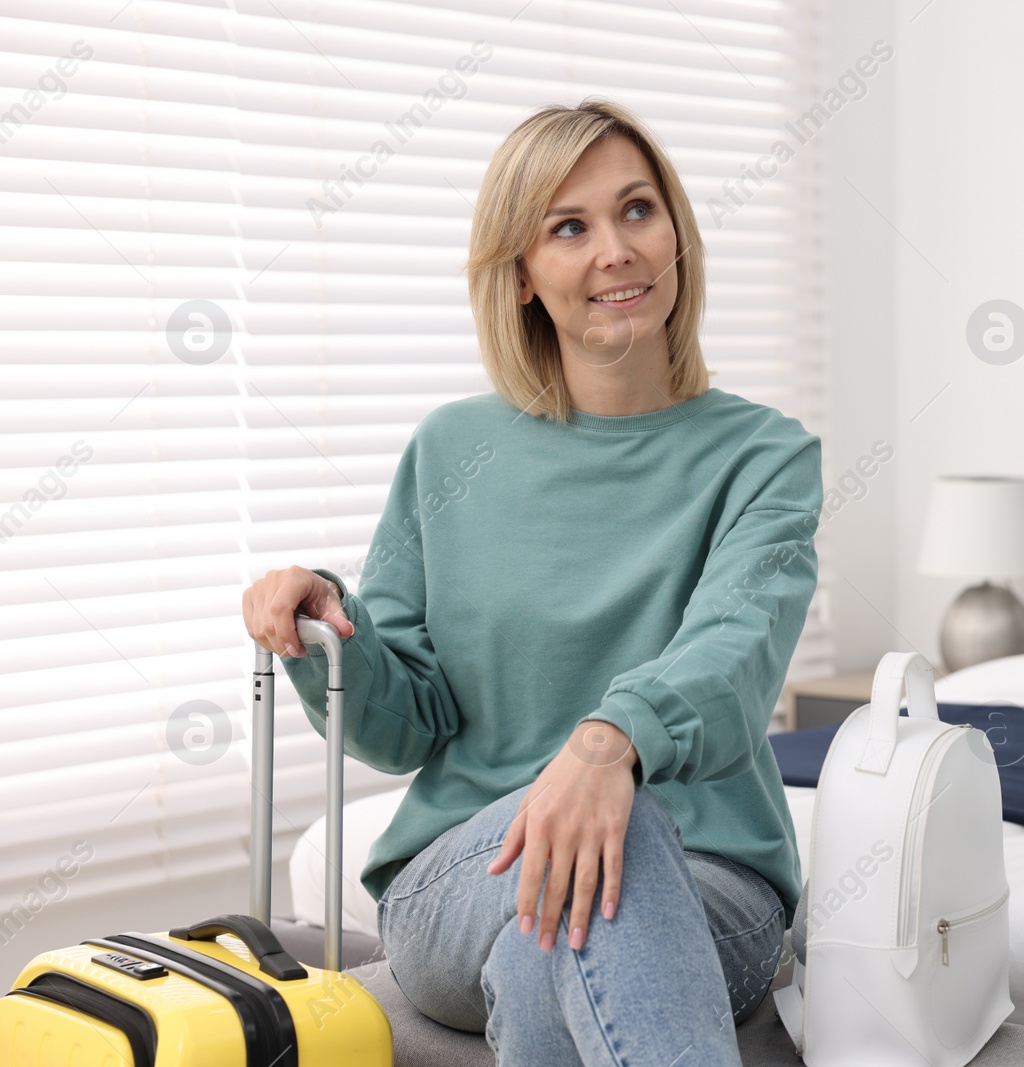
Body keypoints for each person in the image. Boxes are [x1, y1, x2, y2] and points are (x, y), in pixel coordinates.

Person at [241, 97, 821, 1065]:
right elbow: (400, 723)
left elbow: (734, 651)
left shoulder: (763, 456)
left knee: (549, 941)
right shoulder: (451, 450)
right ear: (521, 276)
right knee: (605, 828)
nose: (616, 250)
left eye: (638, 210)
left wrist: (609, 745)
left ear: (676, 232)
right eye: (569, 227)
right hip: (463, 878)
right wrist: (333, 632)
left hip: (714, 889)